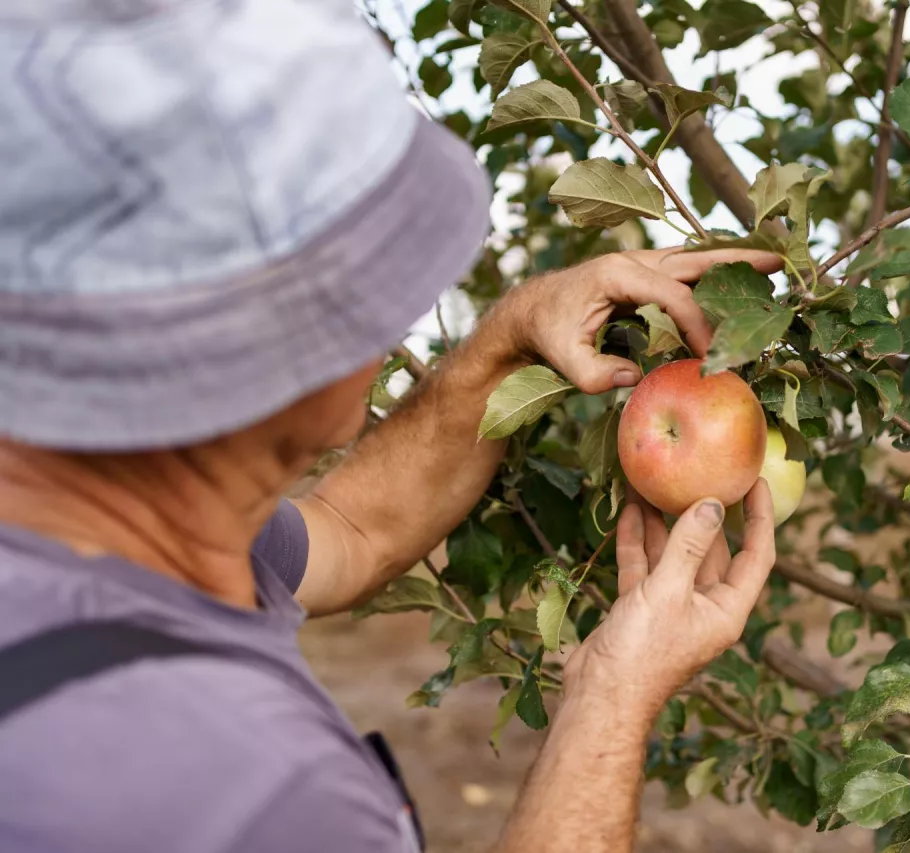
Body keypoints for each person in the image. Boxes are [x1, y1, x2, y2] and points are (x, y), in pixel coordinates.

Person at [0, 3, 782, 852]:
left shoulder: (106, 529)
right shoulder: (256, 793)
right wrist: (614, 696)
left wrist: (514, 329)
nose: (395, 314)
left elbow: (354, 527)